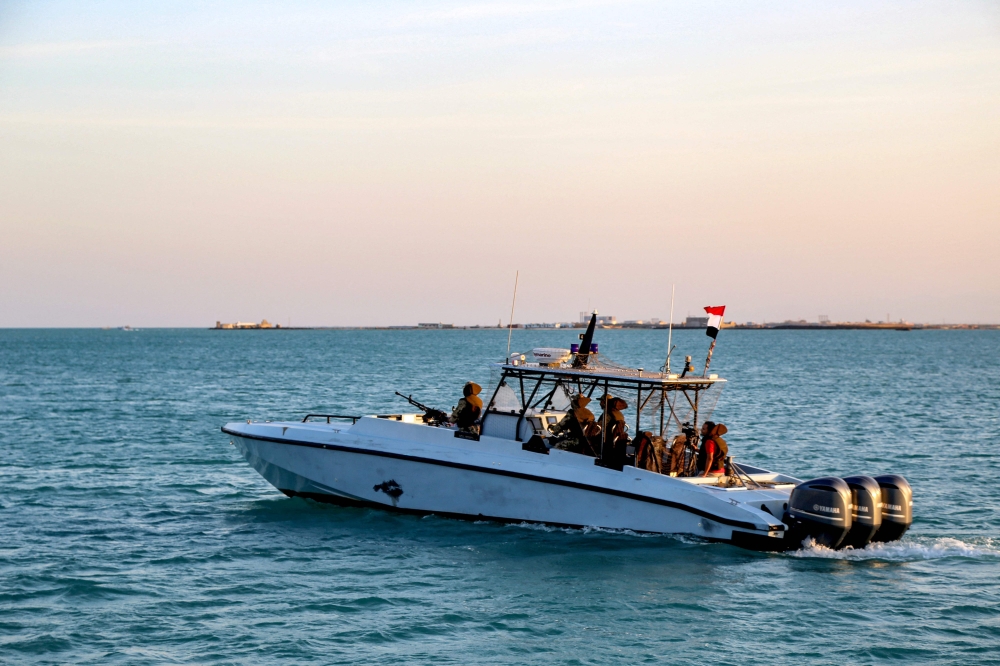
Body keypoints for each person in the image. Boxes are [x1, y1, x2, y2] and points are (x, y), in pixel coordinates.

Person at [597, 395, 629, 469]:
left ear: (605, 402)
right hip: (616, 440)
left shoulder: (608, 414)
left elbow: (599, 427)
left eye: (601, 401)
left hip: (607, 441)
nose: (600, 404)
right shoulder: (619, 414)